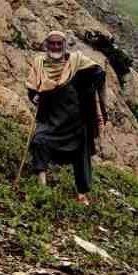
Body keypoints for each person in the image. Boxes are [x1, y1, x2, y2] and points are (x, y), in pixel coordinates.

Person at [25, 31, 108, 205]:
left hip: (77, 121)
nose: (55, 47)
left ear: (64, 45)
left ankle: (82, 194)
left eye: (59, 44)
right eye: (52, 43)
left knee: (81, 156)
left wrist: (91, 90)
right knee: (40, 141)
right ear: (46, 45)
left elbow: (99, 73)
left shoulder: (76, 62)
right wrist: (35, 96)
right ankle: (42, 187)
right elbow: (32, 88)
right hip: (51, 119)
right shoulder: (39, 64)